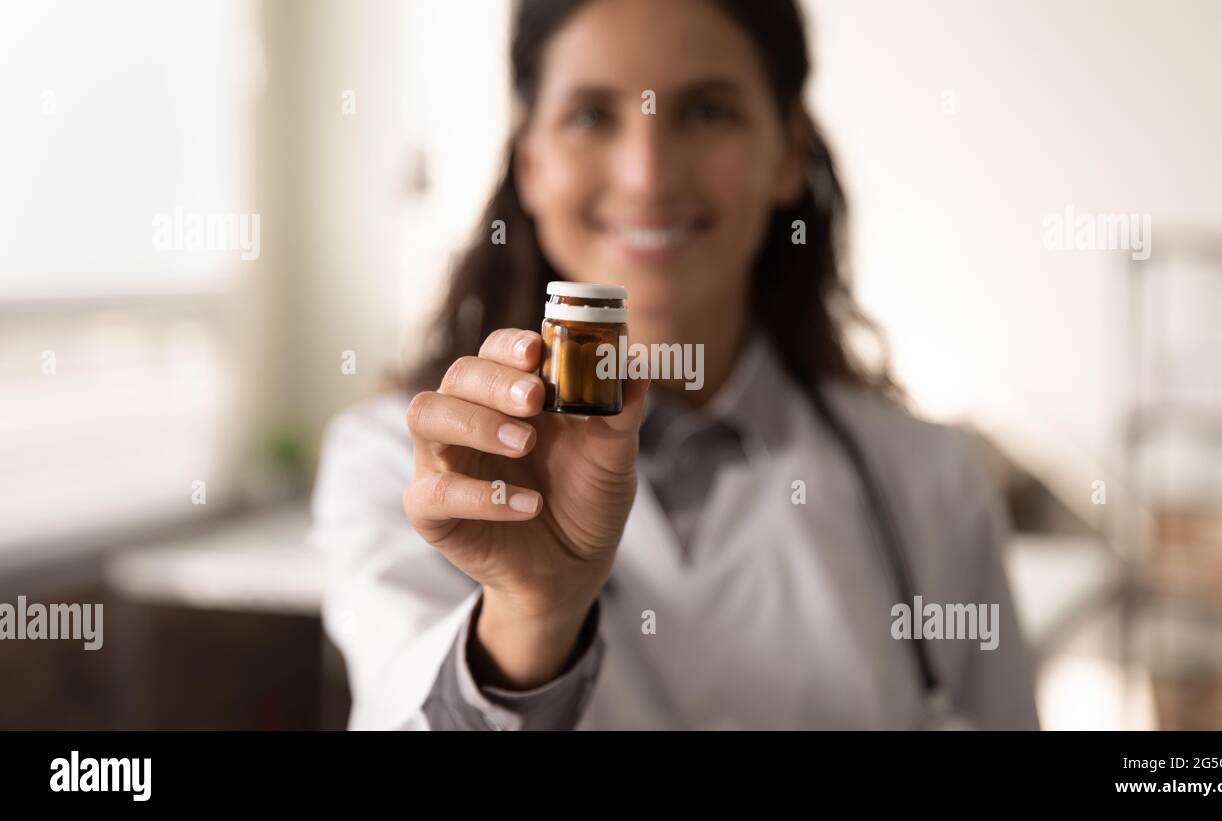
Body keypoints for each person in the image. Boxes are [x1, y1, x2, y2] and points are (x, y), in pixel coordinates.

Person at [309, 0, 1040, 730]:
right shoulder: (398, 466)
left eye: (708, 112)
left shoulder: (931, 480)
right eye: (592, 115)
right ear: (530, 163)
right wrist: (532, 614)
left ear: (788, 154)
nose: (647, 176)